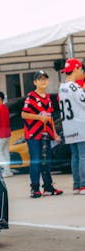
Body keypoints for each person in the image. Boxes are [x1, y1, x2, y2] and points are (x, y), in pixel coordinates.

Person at [21, 70, 63, 198]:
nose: (43, 81)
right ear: (35, 82)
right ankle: (34, 188)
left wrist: (55, 134)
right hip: (34, 135)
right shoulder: (31, 96)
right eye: (40, 79)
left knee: (47, 161)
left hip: (46, 135)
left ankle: (48, 187)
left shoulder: (48, 98)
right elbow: (24, 114)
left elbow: (49, 118)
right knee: (36, 161)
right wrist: (39, 118)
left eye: (45, 79)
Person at [58, 58, 85, 195]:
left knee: (75, 156)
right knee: (83, 156)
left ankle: (76, 185)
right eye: (80, 69)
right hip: (80, 125)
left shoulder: (62, 87)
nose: (81, 72)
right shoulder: (75, 87)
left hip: (68, 127)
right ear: (75, 69)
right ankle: (83, 186)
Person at [0, 91, 13, 178]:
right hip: (8, 133)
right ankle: (8, 171)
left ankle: (7, 170)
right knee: (5, 152)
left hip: (1, 134)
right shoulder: (5, 108)